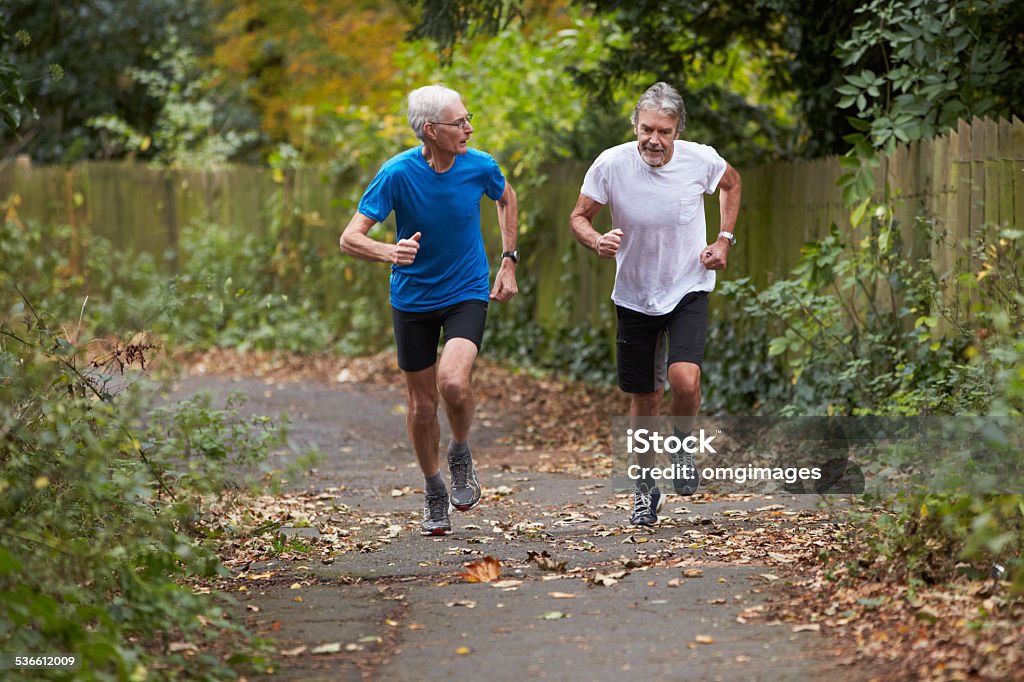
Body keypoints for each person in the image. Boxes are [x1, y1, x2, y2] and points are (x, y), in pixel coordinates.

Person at [340, 84, 519, 536]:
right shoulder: (397, 173)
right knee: (422, 404)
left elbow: (506, 197)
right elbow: (350, 237)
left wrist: (508, 259)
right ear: (430, 130)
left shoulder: (479, 165)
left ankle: (460, 452)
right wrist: (389, 252)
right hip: (413, 299)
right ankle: (433, 486)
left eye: (468, 118)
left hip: (466, 289)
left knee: (453, 382)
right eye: (459, 123)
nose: (469, 128)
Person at [569, 82, 741, 526]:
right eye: (647, 129)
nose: (654, 140)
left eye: (664, 132)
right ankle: (646, 490)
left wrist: (723, 239)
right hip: (634, 293)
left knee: (684, 379)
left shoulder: (700, 159)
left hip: (688, 285)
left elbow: (732, 183)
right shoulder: (611, 163)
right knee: (645, 398)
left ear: (677, 132)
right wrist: (596, 239)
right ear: (635, 126)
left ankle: (682, 447)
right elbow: (579, 217)